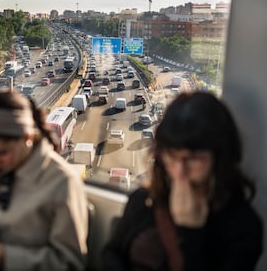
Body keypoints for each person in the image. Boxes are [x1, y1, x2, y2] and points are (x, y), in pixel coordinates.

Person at [103, 92, 263, 271]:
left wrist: (191, 233)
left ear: (219, 158)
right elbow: (112, 253)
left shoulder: (242, 228)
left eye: (193, 158)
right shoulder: (143, 200)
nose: (179, 172)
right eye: (171, 156)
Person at [0, 90, 88, 270]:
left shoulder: (62, 182)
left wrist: (6, 259)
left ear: (27, 138)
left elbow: (70, 263)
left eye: (1, 153)